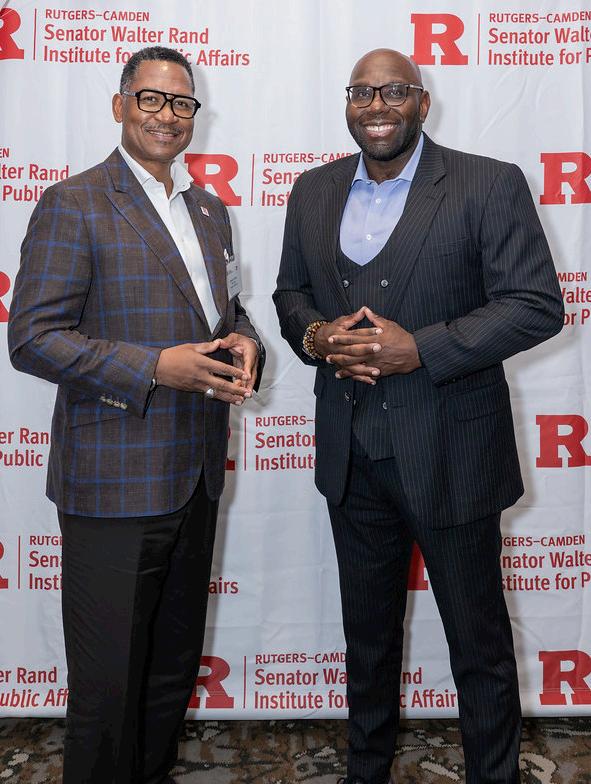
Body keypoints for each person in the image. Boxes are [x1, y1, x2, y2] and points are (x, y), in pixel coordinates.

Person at [274, 48, 563, 784]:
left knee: (478, 646)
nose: (376, 106)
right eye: (361, 92)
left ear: (422, 103)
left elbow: (535, 304)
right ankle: (364, 772)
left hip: (451, 455)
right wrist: (317, 337)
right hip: (350, 454)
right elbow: (290, 295)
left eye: (394, 91)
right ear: (348, 104)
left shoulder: (487, 183)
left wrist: (422, 349)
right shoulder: (312, 190)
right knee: (366, 643)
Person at [8, 45, 264, 784]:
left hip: (195, 476)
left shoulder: (208, 211)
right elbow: (33, 338)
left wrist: (245, 343)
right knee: (108, 691)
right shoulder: (74, 202)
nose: (167, 115)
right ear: (120, 105)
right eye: (151, 99)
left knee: (168, 675)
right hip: (112, 484)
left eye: (181, 102)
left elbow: (225, 314)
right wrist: (153, 367)